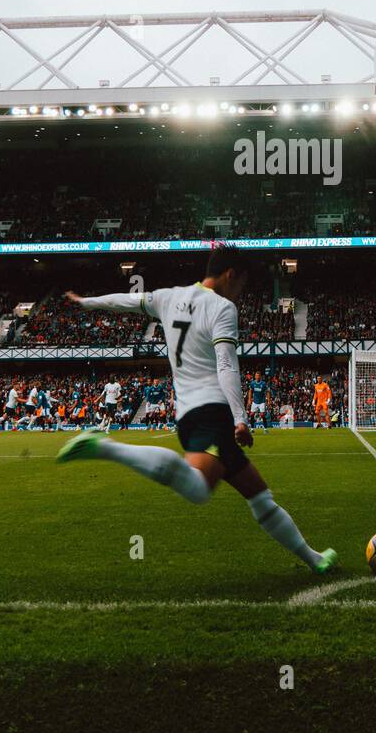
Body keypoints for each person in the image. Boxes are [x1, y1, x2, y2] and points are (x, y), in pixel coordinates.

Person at [57, 245, 337, 575]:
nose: (239, 293)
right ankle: (104, 447)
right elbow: (226, 364)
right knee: (198, 489)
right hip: (212, 412)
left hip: (188, 416)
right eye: (241, 285)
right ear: (230, 274)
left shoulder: (167, 296)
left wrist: (86, 302)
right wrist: (240, 418)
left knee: (260, 496)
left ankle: (314, 559)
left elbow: (126, 301)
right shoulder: (221, 308)